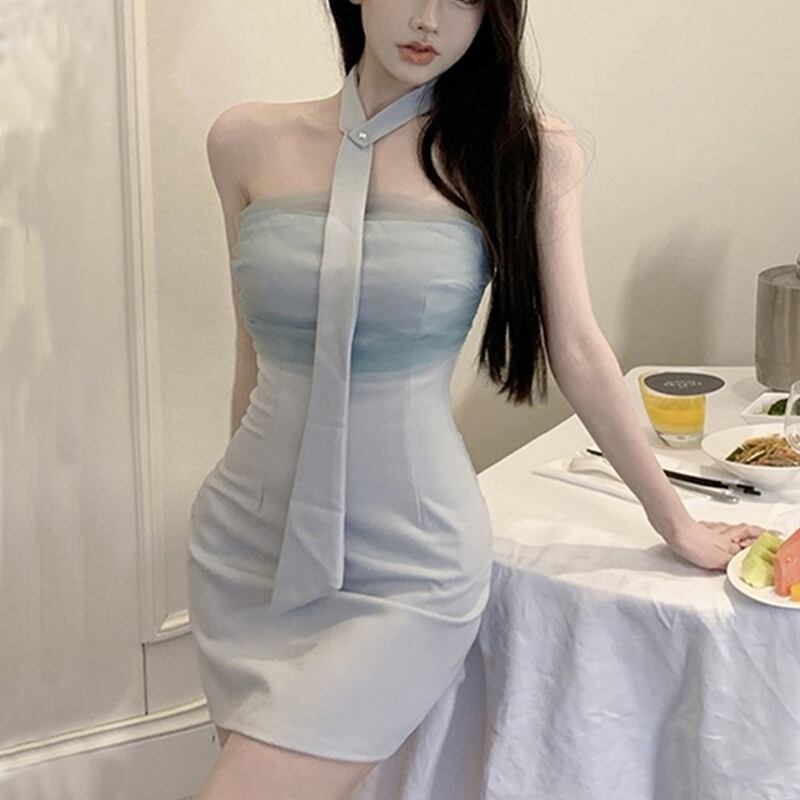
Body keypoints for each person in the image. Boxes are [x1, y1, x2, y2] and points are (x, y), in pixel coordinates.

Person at [187, 1, 766, 798]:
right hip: (248, 549)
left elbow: (578, 350)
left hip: (409, 567)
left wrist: (675, 520)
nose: (429, 19)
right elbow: (251, 354)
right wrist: (249, 510)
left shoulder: (522, 153)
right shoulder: (243, 141)